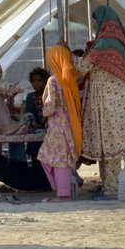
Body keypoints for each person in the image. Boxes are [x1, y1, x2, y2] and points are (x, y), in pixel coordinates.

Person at [72, 6, 125, 198]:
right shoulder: (121, 42)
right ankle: (108, 185)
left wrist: (69, 55)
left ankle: (112, 189)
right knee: (108, 146)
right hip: (115, 100)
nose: (93, 25)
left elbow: (83, 68)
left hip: (106, 101)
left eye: (94, 21)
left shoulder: (105, 44)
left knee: (110, 146)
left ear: (103, 20)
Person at [38, 46, 83, 200]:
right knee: (61, 158)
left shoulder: (53, 80)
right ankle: (67, 185)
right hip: (69, 123)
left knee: (51, 158)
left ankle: (62, 190)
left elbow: (51, 106)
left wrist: (43, 111)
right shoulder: (69, 79)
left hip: (57, 125)